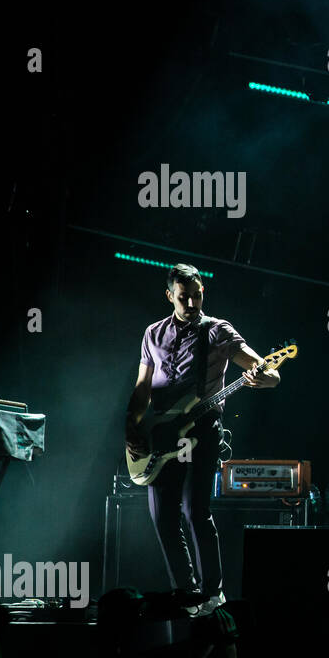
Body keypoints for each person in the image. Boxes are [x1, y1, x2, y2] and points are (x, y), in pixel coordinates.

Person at [125, 263, 279, 618]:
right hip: (161, 432)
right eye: (184, 297)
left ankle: (214, 593)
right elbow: (142, 386)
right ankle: (186, 592)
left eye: (196, 295)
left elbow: (266, 370)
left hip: (202, 429)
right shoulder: (153, 333)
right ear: (170, 296)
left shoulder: (218, 331)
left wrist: (264, 376)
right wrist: (132, 427)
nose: (191, 303)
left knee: (196, 511)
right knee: (162, 515)